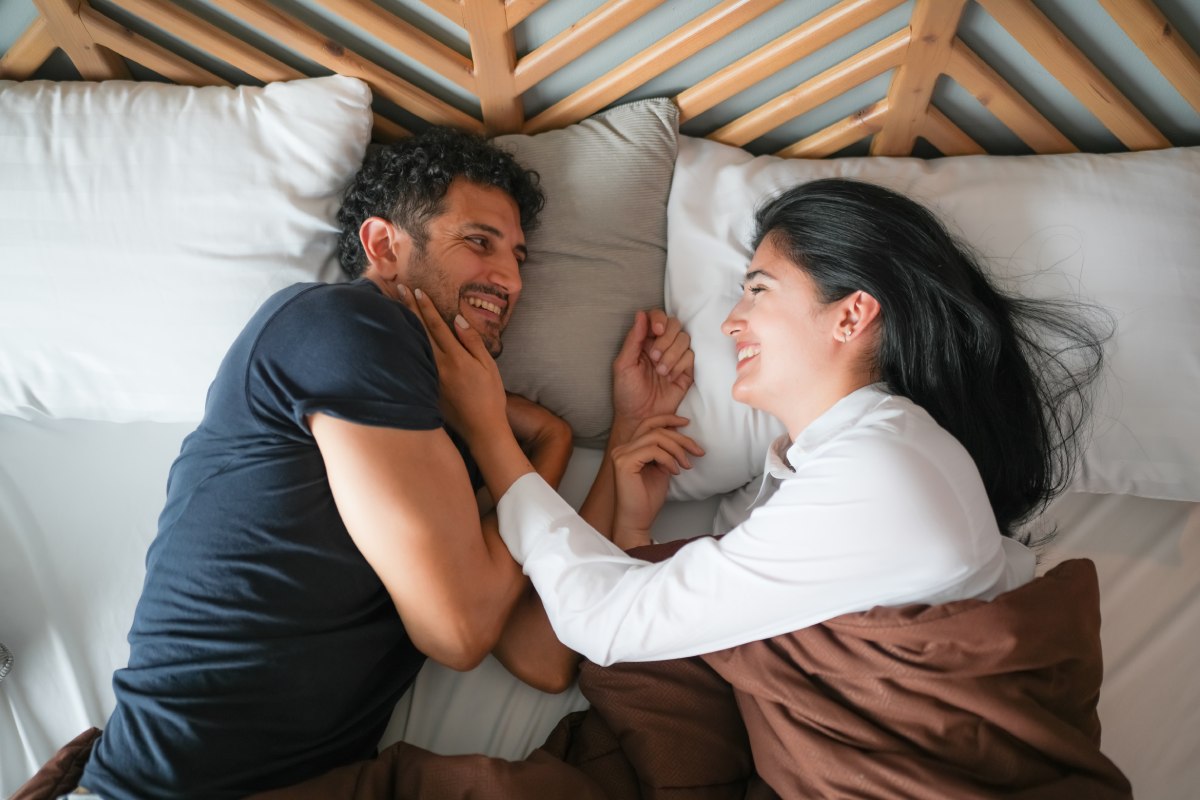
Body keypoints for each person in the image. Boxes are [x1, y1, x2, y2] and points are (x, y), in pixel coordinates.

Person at [75, 126, 693, 799]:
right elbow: (459, 630)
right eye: (478, 242)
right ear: (383, 246)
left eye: (519, 257)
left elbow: (545, 655)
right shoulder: (346, 325)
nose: (511, 280)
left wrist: (610, 436)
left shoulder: (442, 418)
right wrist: (519, 439)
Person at [415, 176, 1107, 668]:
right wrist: (633, 515)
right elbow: (692, 632)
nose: (730, 321)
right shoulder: (816, 465)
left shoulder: (879, 475)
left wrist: (490, 435)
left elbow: (611, 625)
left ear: (852, 314)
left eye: (758, 291)